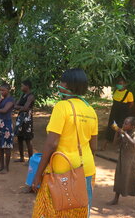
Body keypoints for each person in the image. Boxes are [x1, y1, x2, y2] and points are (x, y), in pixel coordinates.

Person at [32, 68, 98, 218]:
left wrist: (38, 174)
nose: (59, 85)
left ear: (67, 85)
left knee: (54, 211)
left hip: (62, 170)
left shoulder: (62, 107)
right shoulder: (91, 110)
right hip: (86, 169)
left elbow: (51, 144)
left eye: (61, 82)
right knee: (80, 211)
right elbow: (93, 147)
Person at [107, 117, 135, 211]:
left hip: (131, 161)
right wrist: (117, 132)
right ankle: (116, 198)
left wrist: (124, 133)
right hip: (122, 159)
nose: (123, 125)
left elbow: (133, 142)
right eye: (123, 123)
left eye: (126, 124)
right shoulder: (124, 134)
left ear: (132, 126)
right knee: (119, 177)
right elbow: (114, 143)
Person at [103, 78, 134, 150]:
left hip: (122, 113)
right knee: (111, 126)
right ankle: (104, 146)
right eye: (118, 84)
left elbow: (131, 104)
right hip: (114, 112)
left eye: (121, 84)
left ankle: (121, 146)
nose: (119, 85)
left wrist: (124, 110)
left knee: (121, 129)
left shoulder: (128, 94)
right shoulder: (115, 91)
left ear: (125, 84)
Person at [0, 83, 15, 174]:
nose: (1, 92)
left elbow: (5, 110)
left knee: (6, 146)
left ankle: (6, 168)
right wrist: (0, 99)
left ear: (8, 90)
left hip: (6, 125)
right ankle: (1, 166)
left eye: (3, 90)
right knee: (0, 146)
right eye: (0, 90)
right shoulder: (1, 99)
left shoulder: (11, 100)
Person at [14, 79, 35, 163]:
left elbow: (25, 108)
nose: (21, 87)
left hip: (27, 119)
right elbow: (16, 105)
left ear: (27, 86)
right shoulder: (23, 95)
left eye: (22, 85)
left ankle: (30, 160)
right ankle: (21, 158)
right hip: (21, 117)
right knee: (19, 138)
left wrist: (20, 107)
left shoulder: (31, 96)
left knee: (28, 139)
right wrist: (22, 108)